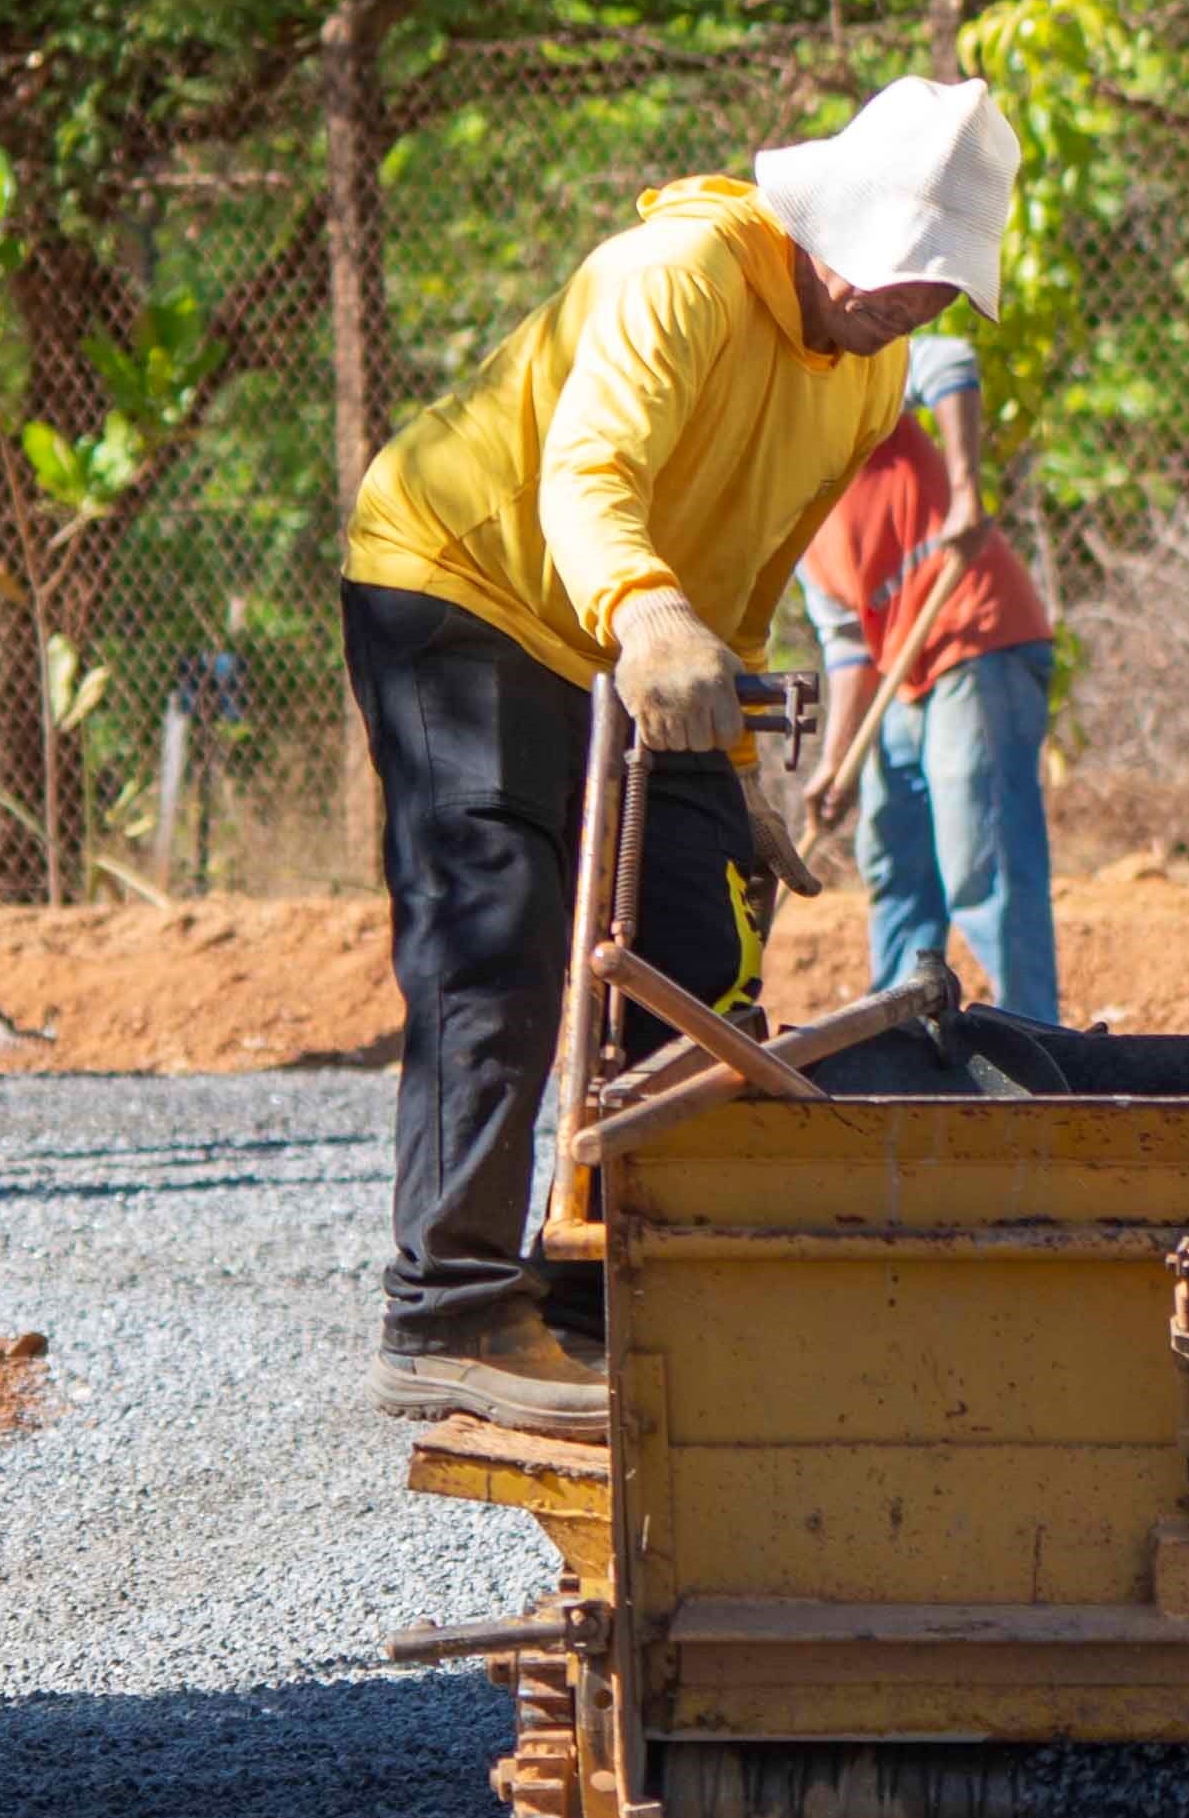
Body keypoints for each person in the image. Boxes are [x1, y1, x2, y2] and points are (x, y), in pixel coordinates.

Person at [340, 71, 1023, 1434]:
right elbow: (587, 474)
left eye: (937, 293)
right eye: (897, 274)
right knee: (504, 928)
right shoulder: (683, 271)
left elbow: (752, 568)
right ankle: (452, 1307)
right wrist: (647, 614)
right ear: (827, 220)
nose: (909, 305)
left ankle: (620, 1290)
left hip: (639, 632)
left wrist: (745, 755)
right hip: (465, 586)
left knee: (699, 960)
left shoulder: (873, 374)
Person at [799, 327, 1064, 1020]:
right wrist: (838, 766)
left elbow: (950, 362)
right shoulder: (791, 525)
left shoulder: (843, 395)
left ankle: (1036, 1037)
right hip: (905, 670)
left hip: (978, 636)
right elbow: (850, 647)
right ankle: (901, 1029)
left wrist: (966, 490)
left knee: (981, 858)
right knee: (893, 856)